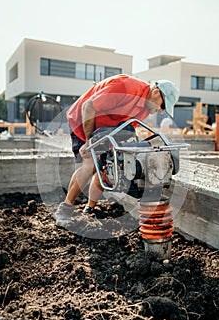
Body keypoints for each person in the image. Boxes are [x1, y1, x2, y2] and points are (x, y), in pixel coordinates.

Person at [55, 74, 179, 226]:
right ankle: (64, 209)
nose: (161, 112)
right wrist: (89, 142)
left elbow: (126, 127)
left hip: (107, 128)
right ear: (155, 93)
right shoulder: (125, 87)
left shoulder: (146, 107)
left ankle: (89, 209)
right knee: (91, 164)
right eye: (163, 106)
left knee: (106, 167)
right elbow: (89, 106)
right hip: (84, 121)